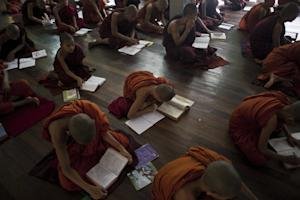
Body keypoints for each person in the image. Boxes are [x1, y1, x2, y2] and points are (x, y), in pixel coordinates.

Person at [43, 100, 133, 199]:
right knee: (68, 183)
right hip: (75, 150)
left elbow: (103, 132)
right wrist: (89, 188)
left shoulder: (89, 108)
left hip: (95, 138)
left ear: (93, 122)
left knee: (123, 142)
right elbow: (66, 168)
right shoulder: (57, 132)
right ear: (70, 135)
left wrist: (121, 149)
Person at [152, 146, 258, 200]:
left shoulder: (209, 164)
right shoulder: (185, 196)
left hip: (175, 170)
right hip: (167, 181)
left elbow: (232, 177)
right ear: (211, 193)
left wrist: (253, 198)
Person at [229, 91, 300, 166]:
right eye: (294, 124)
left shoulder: (285, 102)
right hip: (240, 123)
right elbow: (262, 149)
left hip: (245, 109)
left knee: (277, 127)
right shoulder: (271, 120)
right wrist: (285, 159)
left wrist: (289, 136)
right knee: (259, 160)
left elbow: (284, 118)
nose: (292, 125)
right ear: (290, 119)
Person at [163, 3, 228, 69]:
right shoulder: (175, 25)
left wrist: (203, 33)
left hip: (186, 43)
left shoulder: (190, 20)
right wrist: (187, 29)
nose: (196, 18)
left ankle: (197, 50)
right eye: (195, 16)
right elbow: (177, 43)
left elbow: (193, 32)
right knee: (189, 53)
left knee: (205, 47)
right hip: (173, 48)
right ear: (190, 16)